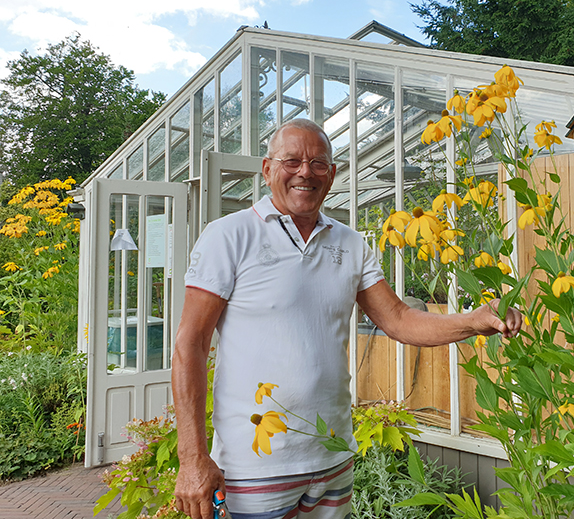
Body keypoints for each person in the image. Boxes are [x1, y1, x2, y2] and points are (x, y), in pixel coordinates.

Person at [172, 119, 522, 519]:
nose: (306, 172)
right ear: (267, 169)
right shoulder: (228, 236)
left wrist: (474, 321)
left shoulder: (350, 243)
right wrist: (192, 456)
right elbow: (190, 345)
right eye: (292, 161)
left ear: (332, 175)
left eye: (318, 163)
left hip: (331, 458)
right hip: (254, 465)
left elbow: (400, 319)